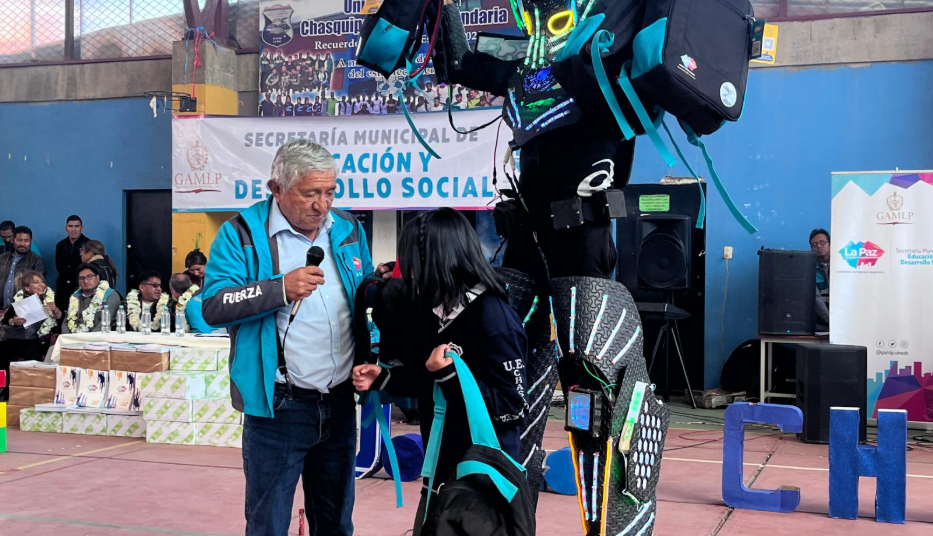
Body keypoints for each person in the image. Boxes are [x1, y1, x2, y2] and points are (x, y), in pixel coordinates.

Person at [195, 139, 377, 536]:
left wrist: (374, 354)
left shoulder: (347, 228)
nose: (322, 205)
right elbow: (213, 306)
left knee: (336, 523)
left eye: (330, 192)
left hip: (340, 402)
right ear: (276, 188)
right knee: (269, 525)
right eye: (310, 193)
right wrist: (278, 289)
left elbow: (365, 301)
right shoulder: (241, 233)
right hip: (279, 407)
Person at [352, 208, 528, 535]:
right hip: (441, 471)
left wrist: (450, 377)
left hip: (482, 482)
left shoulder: (493, 317)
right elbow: (427, 380)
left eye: (412, 264)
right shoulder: (432, 312)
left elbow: (512, 408)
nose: (408, 275)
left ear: (436, 260)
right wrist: (385, 377)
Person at [1, 271, 60, 364]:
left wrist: (55, 310)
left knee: (31, 349)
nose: (41, 285)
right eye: (36, 282)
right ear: (27, 288)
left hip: (42, 338)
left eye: (42, 281)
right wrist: (13, 321)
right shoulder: (19, 298)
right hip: (20, 337)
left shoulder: (51, 297)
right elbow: (5, 319)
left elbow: (61, 318)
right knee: (3, 347)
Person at [62, 263, 121, 333]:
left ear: (98, 277)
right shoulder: (75, 297)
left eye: (89, 276)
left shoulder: (110, 295)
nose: (86, 281)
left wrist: (87, 338)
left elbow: (105, 323)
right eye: (81, 278)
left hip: (99, 337)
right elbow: (66, 322)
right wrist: (67, 337)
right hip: (74, 337)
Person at [1, 226, 46, 309]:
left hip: (22, 309)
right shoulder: (2, 258)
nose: (22, 244)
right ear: (12, 240)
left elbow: (37, 288)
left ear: (31, 241)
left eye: (26, 241)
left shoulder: (37, 261)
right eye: (19, 240)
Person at [55, 215, 90, 311]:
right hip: (63, 289)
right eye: (70, 226)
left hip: (81, 287)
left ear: (82, 228)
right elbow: (59, 267)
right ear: (66, 228)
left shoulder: (88, 244)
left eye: (76, 226)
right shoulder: (60, 245)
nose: (73, 229)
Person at [810, 228, 831, 332]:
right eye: (814, 244)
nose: (818, 246)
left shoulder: (843, 265)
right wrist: (831, 321)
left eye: (822, 242)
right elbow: (816, 298)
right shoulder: (809, 268)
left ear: (830, 244)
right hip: (820, 325)